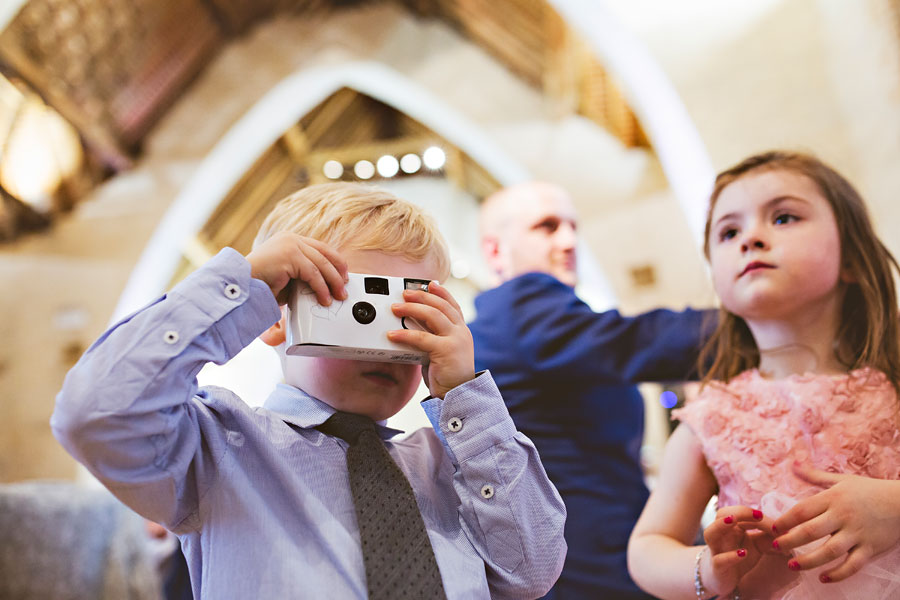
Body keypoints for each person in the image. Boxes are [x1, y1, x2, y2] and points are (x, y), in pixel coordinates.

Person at [52, 182, 567, 599]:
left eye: (410, 312)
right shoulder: (217, 449)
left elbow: (532, 569)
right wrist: (240, 285)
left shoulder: (452, 467)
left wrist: (465, 396)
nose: (389, 337)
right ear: (276, 318)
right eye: (354, 305)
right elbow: (96, 415)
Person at [627, 151, 900, 599]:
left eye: (784, 217)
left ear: (850, 258)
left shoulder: (892, 383)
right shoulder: (715, 417)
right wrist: (708, 569)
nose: (750, 238)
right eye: (729, 231)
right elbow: (647, 547)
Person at [470, 181, 712, 599]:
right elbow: (633, 343)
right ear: (495, 252)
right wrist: (760, 324)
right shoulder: (523, 305)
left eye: (572, 226)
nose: (568, 240)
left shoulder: (505, 326)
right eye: (546, 227)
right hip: (591, 561)